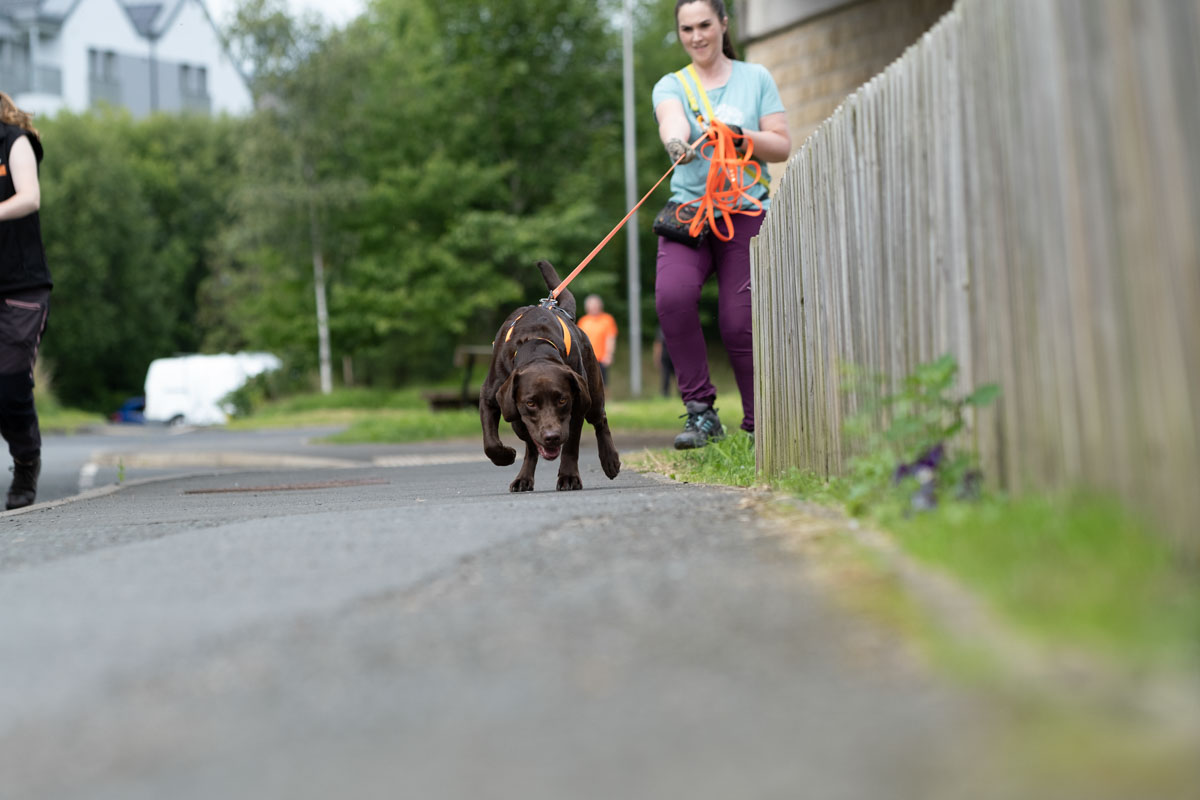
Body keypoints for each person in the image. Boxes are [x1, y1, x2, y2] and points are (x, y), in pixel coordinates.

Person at [652, 0, 791, 449]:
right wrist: (678, 143)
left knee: (738, 320)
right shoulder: (672, 85)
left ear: (724, 24)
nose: (696, 36)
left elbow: (781, 144)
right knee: (673, 296)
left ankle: (759, 425)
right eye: (687, 28)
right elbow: (670, 120)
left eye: (705, 25)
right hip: (690, 211)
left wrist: (739, 137)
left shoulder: (756, 79)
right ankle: (701, 414)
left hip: (745, 209)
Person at [0, 92, 52, 509]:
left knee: (9, 383)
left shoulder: (14, 141)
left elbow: (29, 197)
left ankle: (26, 460)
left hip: (20, 288)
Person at [577, 294, 618, 385]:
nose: (594, 307)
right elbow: (579, 340)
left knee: (602, 382)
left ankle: (606, 398)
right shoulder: (583, 321)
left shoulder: (607, 320)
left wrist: (609, 355)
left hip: (601, 358)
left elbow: (610, 338)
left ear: (600, 306)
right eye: (591, 305)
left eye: (596, 305)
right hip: (586, 358)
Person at [652, 327, 674, 397]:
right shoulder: (661, 328)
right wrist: (657, 358)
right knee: (665, 377)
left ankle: (682, 394)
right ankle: (665, 394)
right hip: (666, 357)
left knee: (680, 378)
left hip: (677, 357)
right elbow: (658, 344)